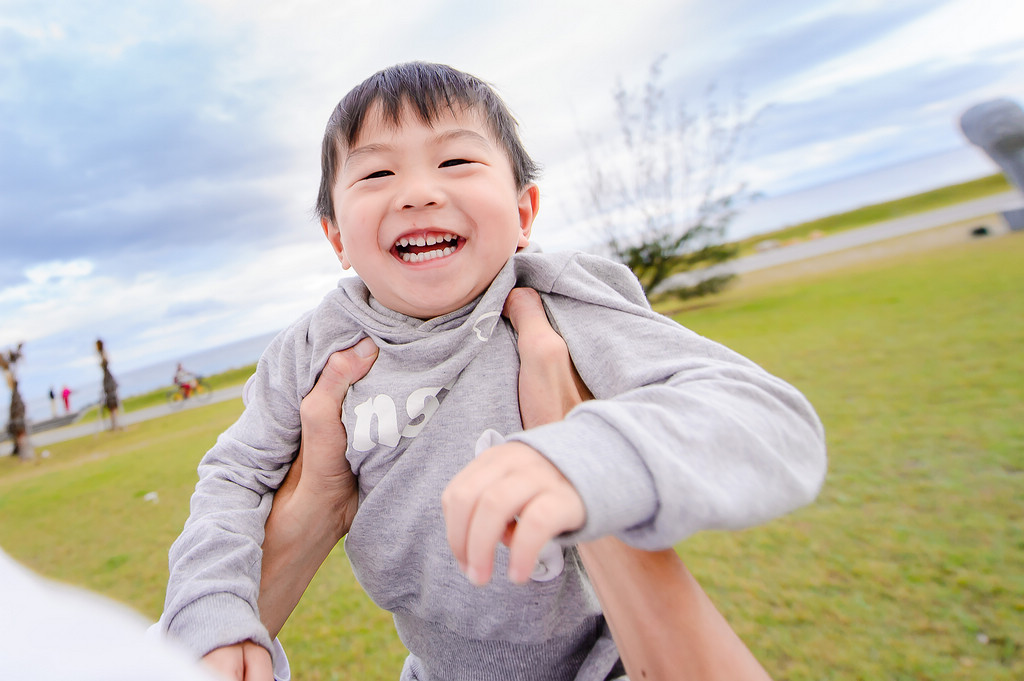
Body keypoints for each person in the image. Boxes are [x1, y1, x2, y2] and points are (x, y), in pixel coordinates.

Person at [160, 62, 826, 680]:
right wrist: (214, 612)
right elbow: (234, 478)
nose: (419, 192)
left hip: (600, 664)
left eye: (456, 160)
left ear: (524, 212)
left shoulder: (563, 304)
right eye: (376, 175)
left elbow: (771, 419)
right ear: (336, 237)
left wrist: (586, 451)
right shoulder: (311, 351)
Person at [95, 339, 121, 431]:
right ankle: (114, 424)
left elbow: (106, 362)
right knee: (111, 405)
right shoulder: (101, 354)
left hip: (108, 380)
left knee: (113, 404)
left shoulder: (103, 354)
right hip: (107, 380)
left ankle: (116, 424)